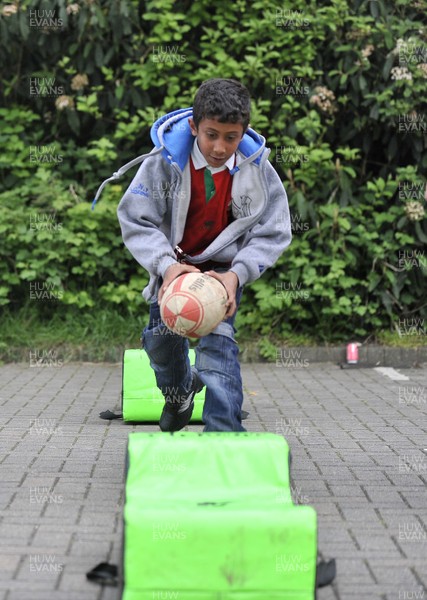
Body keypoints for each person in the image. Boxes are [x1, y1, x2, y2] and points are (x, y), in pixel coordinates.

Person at [114, 78, 292, 432]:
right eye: (211, 134)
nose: (220, 147)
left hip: (222, 273)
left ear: (243, 133)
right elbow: (136, 218)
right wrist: (166, 268)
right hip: (175, 269)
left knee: (218, 346)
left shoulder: (257, 169)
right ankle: (180, 392)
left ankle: (223, 435)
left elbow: (274, 230)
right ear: (194, 126)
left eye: (231, 137)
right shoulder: (164, 162)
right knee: (161, 341)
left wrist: (236, 275)